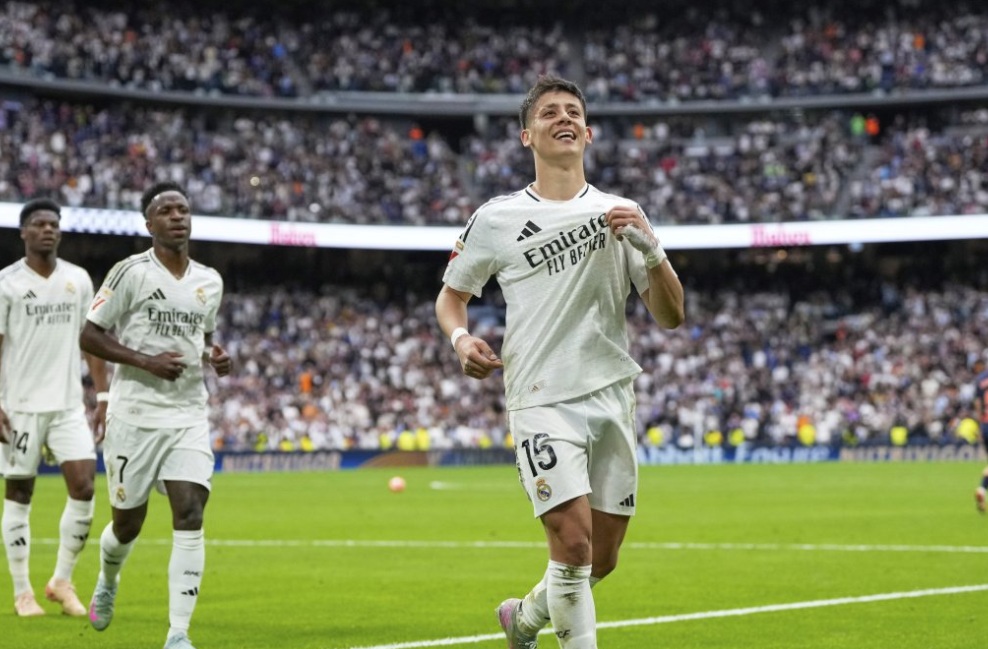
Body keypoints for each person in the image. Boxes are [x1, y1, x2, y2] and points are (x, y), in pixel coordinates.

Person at [435, 75, 685, 648]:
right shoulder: (496, 219)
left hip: (610, 393)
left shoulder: (623, 213)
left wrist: (652, 249)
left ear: (588, 133)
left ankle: (523, 619)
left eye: (573, 111)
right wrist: (461, 340)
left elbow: (671, 316)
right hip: (540, 397)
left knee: (602, 557)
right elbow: (451, 298)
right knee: (572, 547)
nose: (563, 118)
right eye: (549, 112)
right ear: (527, 136)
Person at [80, 181, 231, 649]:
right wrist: (145, 362)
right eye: (166, 211)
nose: (177, 217)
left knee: (190, 511)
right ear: (149, 224)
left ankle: (178, 634)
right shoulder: (130, 272)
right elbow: (89, 335)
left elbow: (202, 340)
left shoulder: (210, 280)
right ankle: (108, 579)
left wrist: (214, 356)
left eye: (183, 209)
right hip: (135, 415)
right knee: (127, 524)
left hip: (187, 413)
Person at [0, 198, 109, 617]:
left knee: (84, 487)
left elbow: (91, 341)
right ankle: (22, 591)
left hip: (67, 406)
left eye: (54, 224)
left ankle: (61, 582)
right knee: (19, 494)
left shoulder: (77, 279)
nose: (48, 229)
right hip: (20, 405)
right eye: (39, 224)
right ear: (23, 232)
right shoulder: (7, 282)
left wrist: (102, 396)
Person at [973, 358, 988, 512]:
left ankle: (982, 490)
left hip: (985, 424)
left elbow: (978, 403)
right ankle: (982, 489)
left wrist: (980, 425)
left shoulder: (980, 379)